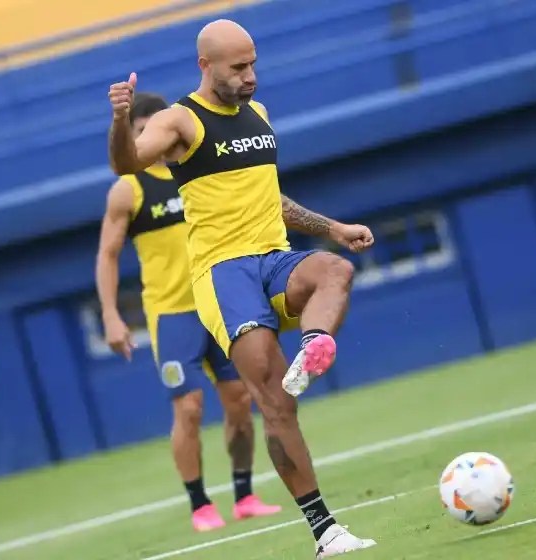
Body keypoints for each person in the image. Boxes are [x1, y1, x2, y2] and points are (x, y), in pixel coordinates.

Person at [106, 20, 377, 558]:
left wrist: (332, 229)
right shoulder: (178, 120)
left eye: (253, 64)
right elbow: (126, 164)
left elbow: (270, 199)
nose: (250, 76)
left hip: (274, 258)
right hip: (222, 275)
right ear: (205, 66)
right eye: (238, 67)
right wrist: (120, 118)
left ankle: (315, 344)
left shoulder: (259, 116)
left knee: (334, 270)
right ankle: (325, 531)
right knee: (274, 402)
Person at [96, 91, 282, 532]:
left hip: (217, 300)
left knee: (239, 401)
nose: (151, 142)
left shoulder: (197, 165)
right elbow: (107, 254)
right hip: (172, 314)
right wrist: (109, 314)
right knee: (190, 408)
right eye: (140, 135)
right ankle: (200, 504)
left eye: (153, 131)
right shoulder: (130, 190)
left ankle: (244, 494)